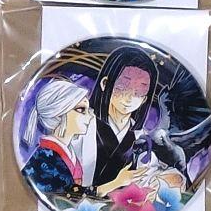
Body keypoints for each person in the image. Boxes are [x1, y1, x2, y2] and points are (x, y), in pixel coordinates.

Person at [88, 46, 160, 191]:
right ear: (105, 83)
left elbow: (147, 180)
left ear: (145, 98)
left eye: (138, 92)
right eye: (123, 87)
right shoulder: (83, 125)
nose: (129, 98)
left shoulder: (141, 138)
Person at [20, 77, 95, 198]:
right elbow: (70, 196)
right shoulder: (44, 158)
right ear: (58, 113)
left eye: (88, 110)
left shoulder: (67, 152)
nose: (90, 116)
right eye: (81, 110)